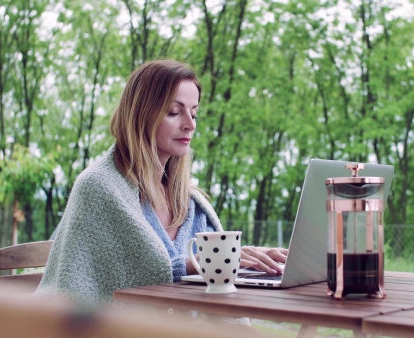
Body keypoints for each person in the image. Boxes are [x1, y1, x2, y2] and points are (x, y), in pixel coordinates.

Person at [36, 59, 288, 307]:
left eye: (194, 113)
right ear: (141, 114)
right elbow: (111, 281)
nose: (190, 125)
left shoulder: (190, 203)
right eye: (174, 112)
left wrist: (250, 258)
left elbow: (214, 270)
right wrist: (200, 262)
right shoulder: (99, 187)